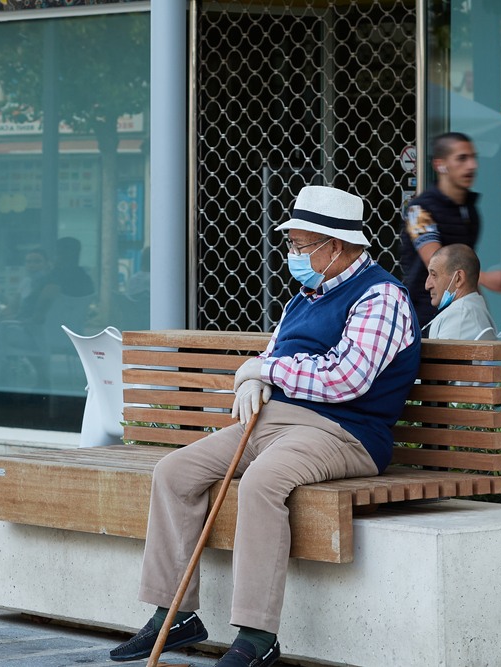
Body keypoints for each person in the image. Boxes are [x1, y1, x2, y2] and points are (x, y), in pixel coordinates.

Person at [109, 185, 421, 667]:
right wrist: (249, 379)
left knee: (261, 483)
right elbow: (273, 356)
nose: (292, 254)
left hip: (344, 432)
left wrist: (264, 372)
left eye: (298, 245)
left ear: (333, 245)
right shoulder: (306, 295)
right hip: (274, 421)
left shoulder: (381, 297)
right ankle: (174, 615)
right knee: (174, 472)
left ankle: (257, 636)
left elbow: (347, 378)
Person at [401, 132, 501, 328]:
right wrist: (488, 278)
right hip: (422, 323)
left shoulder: (470, 211)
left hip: (459, 321)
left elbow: (467, 274)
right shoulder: (418, 210)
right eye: (462, 159)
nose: (472, 165)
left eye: (473, 158)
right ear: (440, 165)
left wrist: (483, 319)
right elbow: (435, 261)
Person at [425, 244, 499, 340]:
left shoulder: (460, 316)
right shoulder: (469, 310)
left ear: (458, 278)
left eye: (434, 275)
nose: (427, 285)